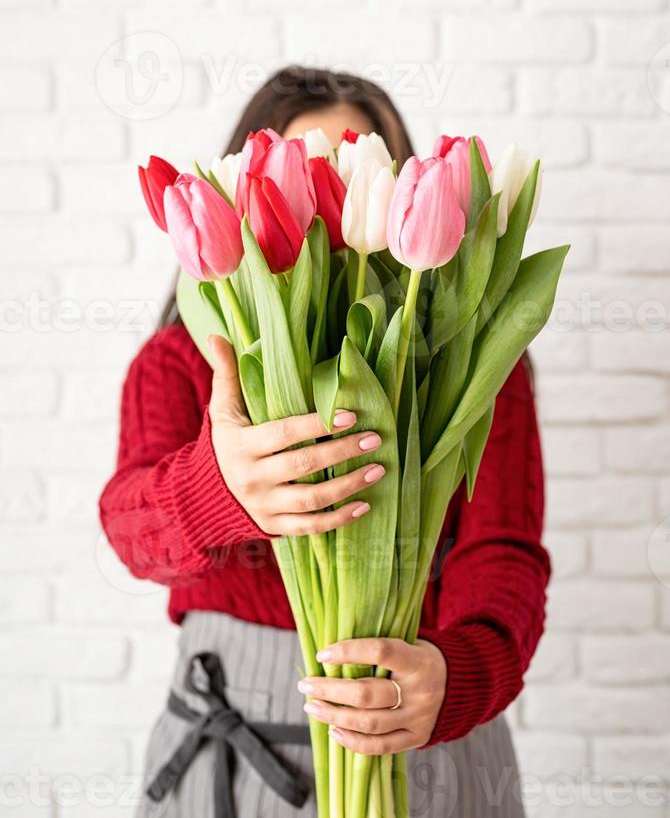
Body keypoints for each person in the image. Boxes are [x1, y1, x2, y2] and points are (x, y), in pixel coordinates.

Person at [100, 65, 549, 817]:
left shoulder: (475, 365)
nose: (324, 200)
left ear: (407, 190)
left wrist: (460, 671)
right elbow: (131, 535)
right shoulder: (183, 362)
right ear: (243, 194)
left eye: (352, 164)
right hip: (233, 753)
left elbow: (501, 553)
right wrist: (220, 490)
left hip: (427, 736)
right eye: (302, 172)